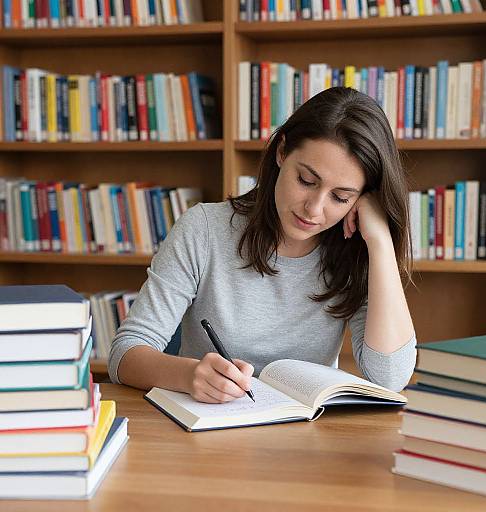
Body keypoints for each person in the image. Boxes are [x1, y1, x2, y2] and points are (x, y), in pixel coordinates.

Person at [108, 86, 416, 403]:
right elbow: (125, 353)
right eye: (306, 181)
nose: (314, 208)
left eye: (340, 197)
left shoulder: (355, 249)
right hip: (207, 433)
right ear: (281, 152)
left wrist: (380, 243)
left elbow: (390, 378)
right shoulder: (204, 230)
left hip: (307, 439)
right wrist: (188, 376)